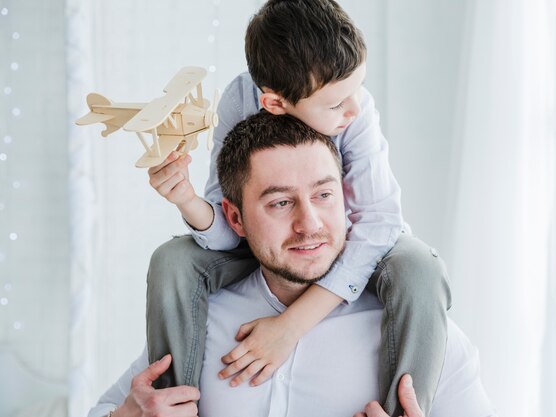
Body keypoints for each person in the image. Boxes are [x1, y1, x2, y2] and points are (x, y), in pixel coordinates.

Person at [146, 1, 451, 415]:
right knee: (173, 259)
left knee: (417, 264)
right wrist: (187, 201)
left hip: (350, 246)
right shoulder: (240, 101)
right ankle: (171, 406)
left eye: (355, 89)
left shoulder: (354, 111)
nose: (353, 109)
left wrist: (291, 326)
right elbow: (228, 225)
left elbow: (380, 223)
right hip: (262, 244)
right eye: (334, 104)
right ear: (274, 103)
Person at [89, 112, 495, 417]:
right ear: (235, 219)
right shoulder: (195, 318)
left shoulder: (419, 330)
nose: (310, 225)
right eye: (281, 203)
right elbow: (109, 407)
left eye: (323, 195)